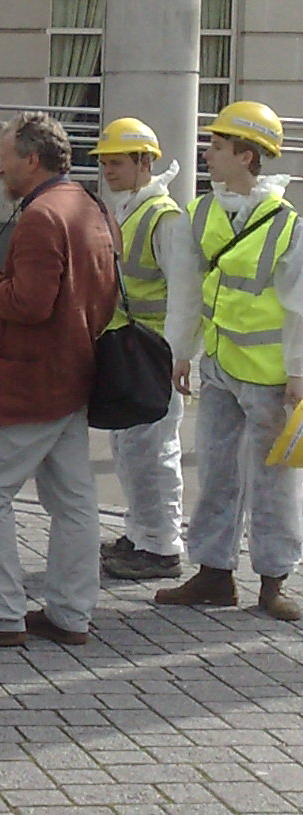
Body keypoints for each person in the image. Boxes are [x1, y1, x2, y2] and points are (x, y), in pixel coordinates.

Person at [0, 111, 119, 648]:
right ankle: (70, 612)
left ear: (31, 159)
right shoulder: (90, 204)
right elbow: (104, 290)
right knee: (74, 500)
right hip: (74, 374)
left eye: (5, 156)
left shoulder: (42, 217)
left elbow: (28, 304)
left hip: (28, 383)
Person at [155, 99, 303, 621]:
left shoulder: (286, 224)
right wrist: (179, 354)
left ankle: (273, 580)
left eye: (217, 146)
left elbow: (299, 305)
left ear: (247, 156)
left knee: (273, 479)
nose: (206, 153)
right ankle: (215, 575)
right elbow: (187, 296)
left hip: (269, 380)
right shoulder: (199, 214)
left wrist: (299, 373)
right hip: (219, 368)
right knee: (217, 471)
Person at [94, 117, 201, 582]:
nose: (108, 171)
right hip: (132, 349)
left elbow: (184, 291)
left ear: (145, 162)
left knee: (154, 451)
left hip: (152, 353)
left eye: (117, 162)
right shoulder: (130, 210)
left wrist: (179, 354)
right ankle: (142, 534)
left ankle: (160, 547)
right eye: (105, 163)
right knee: (132, 449)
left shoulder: (163, 216)